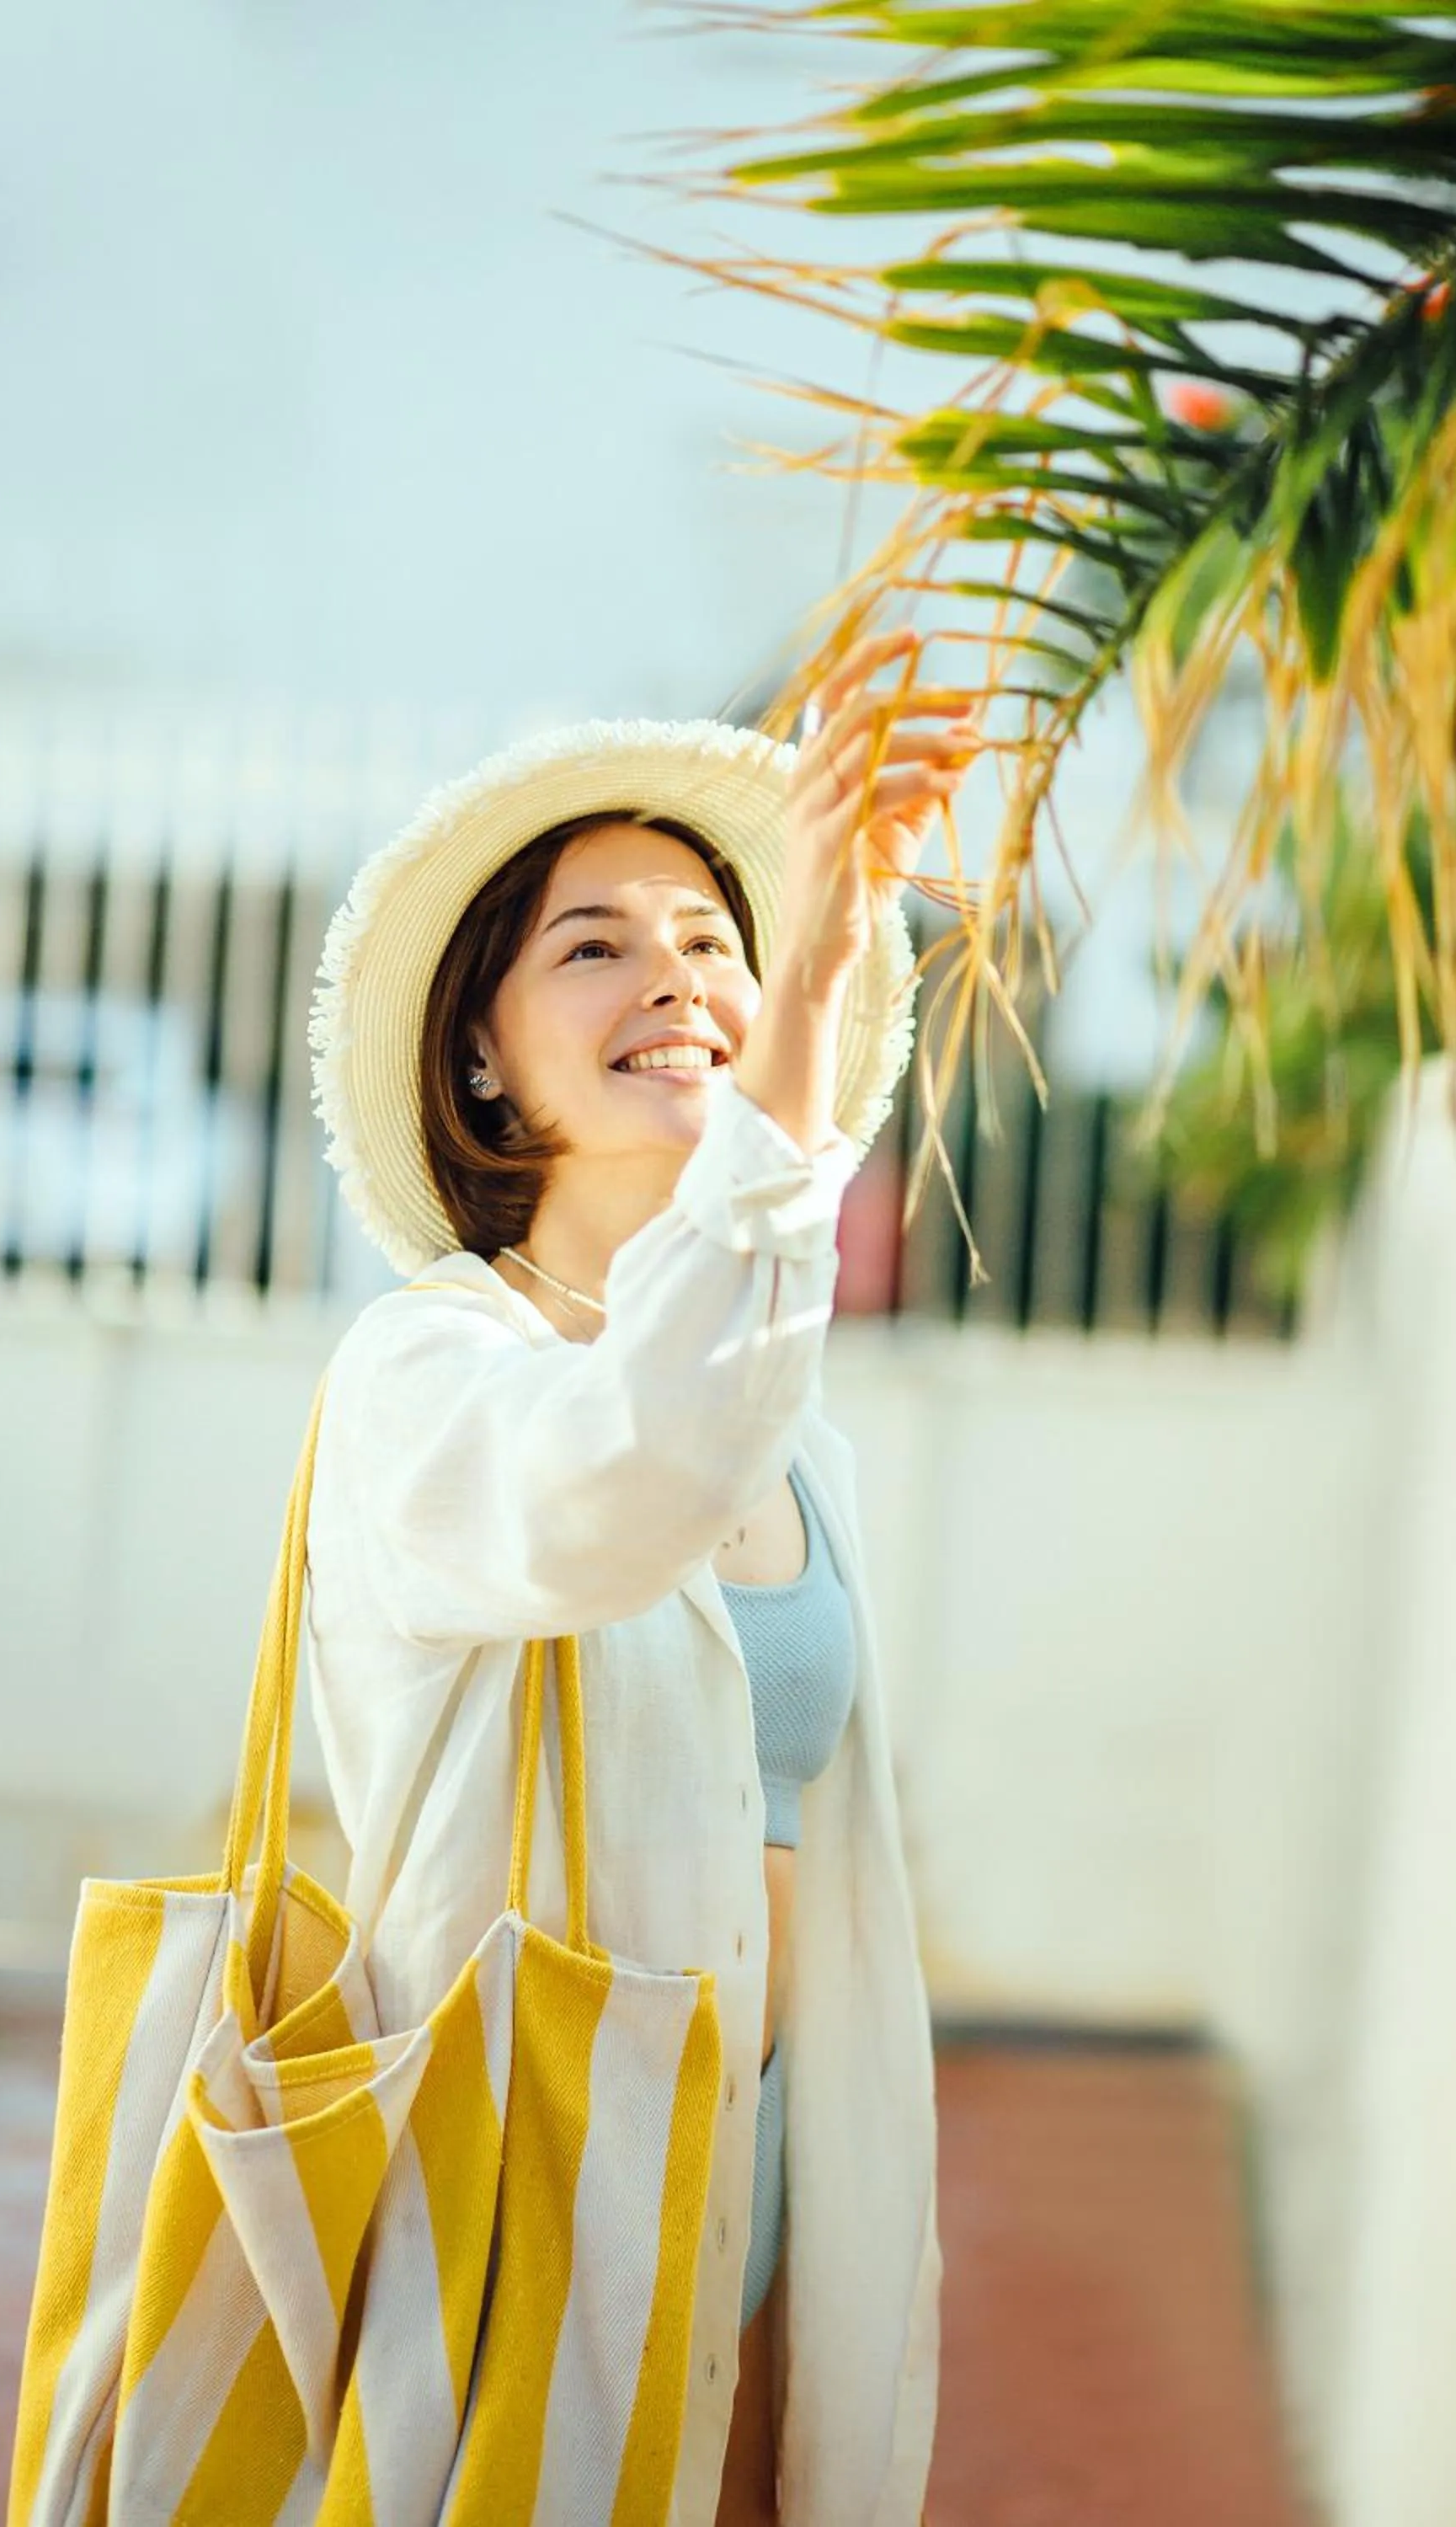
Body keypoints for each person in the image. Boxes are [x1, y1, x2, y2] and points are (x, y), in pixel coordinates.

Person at [303, 629, 976, 2525]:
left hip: (771, 2174)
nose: (675, 977)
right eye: (592, 946)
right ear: (480, 1056)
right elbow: (625, 1466)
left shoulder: (796, 1435)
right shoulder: (429, 1374)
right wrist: (813, 981)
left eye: (711, 940)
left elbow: (708, 1387)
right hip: (523, 2188)